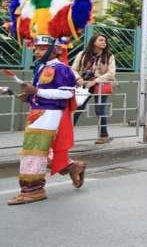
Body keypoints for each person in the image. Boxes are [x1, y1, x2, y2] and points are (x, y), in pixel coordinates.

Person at [7, 36, 87, 205]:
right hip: (37, 111)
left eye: (42, 48)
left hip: (50, 114)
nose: (36, 51)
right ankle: (73, 167)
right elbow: (41, 91)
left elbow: (67, 93)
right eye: (36, 48)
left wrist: (36, 91)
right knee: (37, 149)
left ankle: (33, 190)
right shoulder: (41, 67)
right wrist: (30, 95)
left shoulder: (62, 69)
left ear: (57, 50)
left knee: (34, 150)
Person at [71, 34, 116, 144]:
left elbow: (111, 73)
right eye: (101, 40)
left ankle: (103, 135)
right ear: (93, 42)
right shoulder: (82, 54)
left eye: (105, 40)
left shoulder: (109, 56)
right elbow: (73, 69)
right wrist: (78, 78)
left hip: (100, 85)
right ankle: (67, 136)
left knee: (100, 110)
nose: (104, 42)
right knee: (77, 108)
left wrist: (95, 81)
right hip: (84, 85)